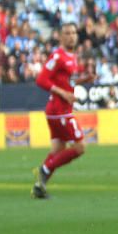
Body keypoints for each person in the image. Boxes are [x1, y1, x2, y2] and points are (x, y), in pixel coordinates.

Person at [32, 23, 93, 198]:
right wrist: (63, 94)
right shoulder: (58, 56)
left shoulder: (71, 57)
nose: (72, 36)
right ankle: (44, 169)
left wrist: (84, 80)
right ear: (60, 36)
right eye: (67, 33)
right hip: (60, 110)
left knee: (58, 150)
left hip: (59, 110)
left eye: (74, 33)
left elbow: (67, 82)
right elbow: (41, 80)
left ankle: (39, 187)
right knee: (80, 147)